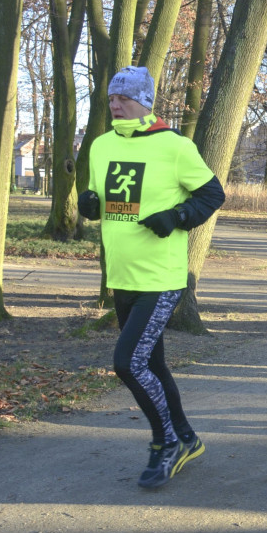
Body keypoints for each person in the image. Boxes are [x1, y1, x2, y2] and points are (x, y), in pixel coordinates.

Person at [79, 66, 226, 488]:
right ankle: (187, 437)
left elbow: (211, 194)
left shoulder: (175, 146)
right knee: (154, 365)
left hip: (161, 278)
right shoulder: (102, 145)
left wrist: (178, 216)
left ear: (145, 101)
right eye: (111, 98)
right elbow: (100, 198)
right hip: (122, 277)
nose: (116, 104)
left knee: (128, 363)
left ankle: (166, 444)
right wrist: (89, 203)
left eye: (124, 98)